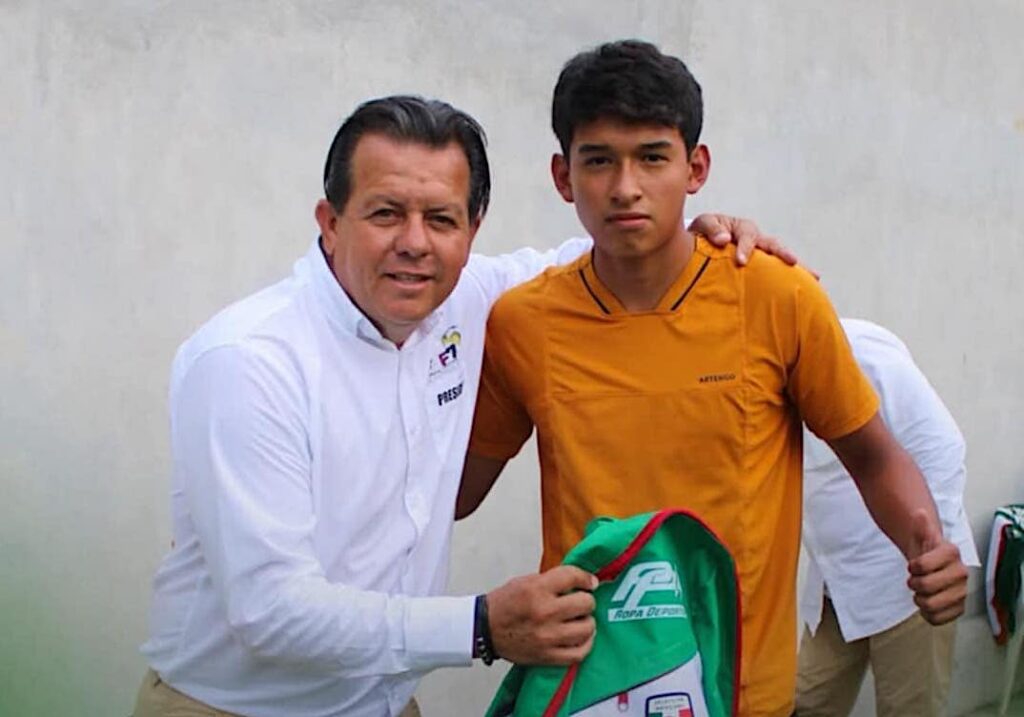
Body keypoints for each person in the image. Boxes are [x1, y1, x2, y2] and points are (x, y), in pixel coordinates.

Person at [133, 94, 786, 717]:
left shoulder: (472, 298)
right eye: (385, 213)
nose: (415, 242)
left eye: (442, 219)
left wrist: (702, 233)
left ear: (473, 230)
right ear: (330, 223)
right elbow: (270, 609)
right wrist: (481, 626)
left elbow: (613, 260)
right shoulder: (248, 360)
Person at [457, 40, 969, 717]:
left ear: (695, 168)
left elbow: (871, 455)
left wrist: (927, 545)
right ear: (562, 175)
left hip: (743, 691)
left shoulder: (777, 296)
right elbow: (451, 493)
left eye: (652, 157)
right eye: (599, 160)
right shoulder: (522, 322)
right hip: (594, 684)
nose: (626, 186)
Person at [796, 319, 980, 717]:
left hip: (909, 581)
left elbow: (941, 444)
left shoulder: (856, 350)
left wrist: (932, 555)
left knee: (908, 709)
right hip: (836, 581)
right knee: (804, 703)